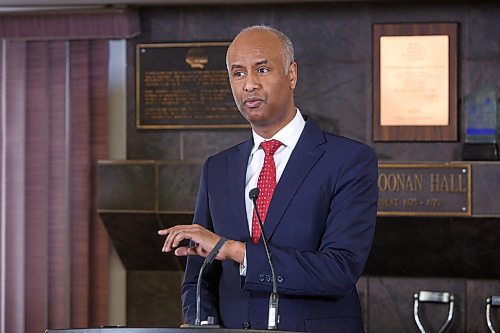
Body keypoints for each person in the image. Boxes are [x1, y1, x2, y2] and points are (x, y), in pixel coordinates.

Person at [158, 25, 378, 333]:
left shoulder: (348, 160)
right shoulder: (218, 167)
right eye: (238, 73)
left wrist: (236, 251)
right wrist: (201, 325)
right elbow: (199, 278)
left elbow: (338, 270)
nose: (249, 84)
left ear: (291, 75)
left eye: (262, 69)